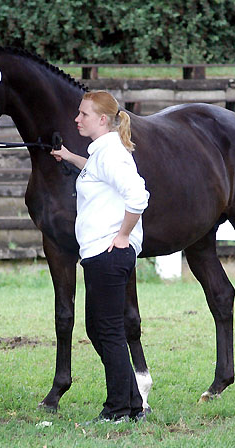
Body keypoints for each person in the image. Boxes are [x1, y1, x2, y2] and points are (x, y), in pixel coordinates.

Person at [51, 90, 150, 423]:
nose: (77, 119)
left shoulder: (112, 154)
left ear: (102, 120)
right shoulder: (101, 154)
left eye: (83, 114)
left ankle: (117, 409)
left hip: (108, 255)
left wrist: (123, 236)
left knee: (107, 332)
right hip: (100, 256)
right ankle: (133, 405)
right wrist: (69, 157)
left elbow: (138, 195)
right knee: (101, 330)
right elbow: (96, 172)